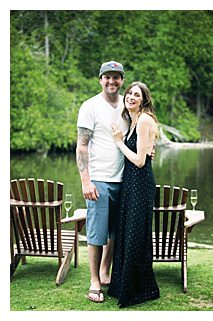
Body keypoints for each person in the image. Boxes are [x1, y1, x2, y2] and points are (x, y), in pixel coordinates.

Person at [76, 61, 128, 303]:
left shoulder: (127, 106)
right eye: (107, 77)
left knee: (116, 232)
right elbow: (82, 146)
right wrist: (86, 181)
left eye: (116, 77)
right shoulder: (90, 106)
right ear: (100, 80)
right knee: (97, 234)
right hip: (99, 179)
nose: (111, 81)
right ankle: (94, 281)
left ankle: (105, 272)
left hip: (124, 179)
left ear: (122, 80)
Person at [107, 81, 160, 308]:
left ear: (144, 99)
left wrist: (119, 142)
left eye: (136, 94)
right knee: (127, 233)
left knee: (135, 235)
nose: (130, 96)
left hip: (140, 183)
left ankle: (137, 289)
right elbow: (146, 150)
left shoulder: (144, 120)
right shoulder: (134, 121)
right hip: (131, 184)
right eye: (129, 93)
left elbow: (139, 161)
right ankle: (122, 286)